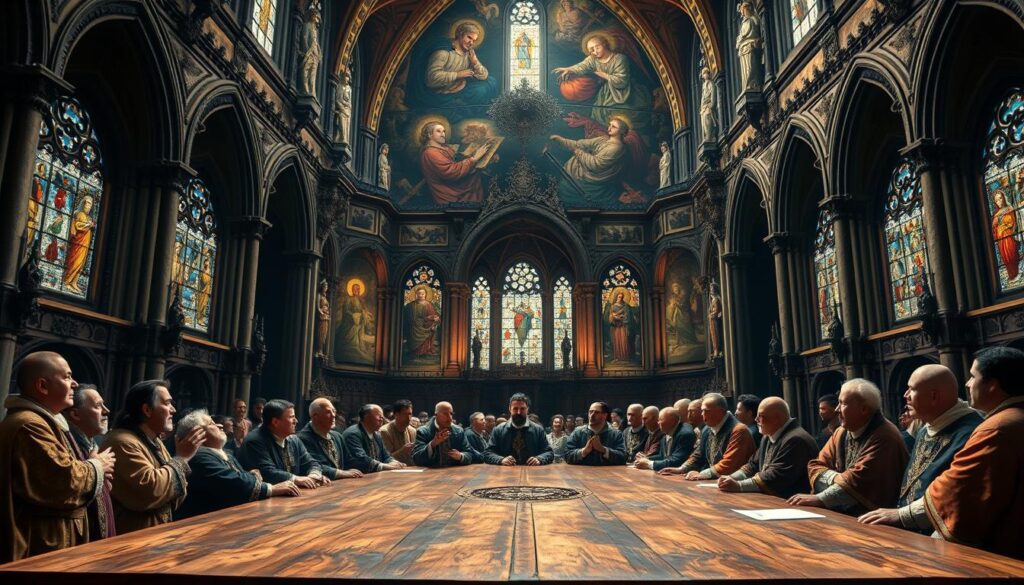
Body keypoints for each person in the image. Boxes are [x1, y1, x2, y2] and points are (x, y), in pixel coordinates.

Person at [0, 352, 116, 562]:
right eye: (67, 377)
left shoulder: (45, 422)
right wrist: (98, 465)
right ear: (43, 386)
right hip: (39, 545)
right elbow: (64, 481)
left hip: (54, 542)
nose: (75, 383)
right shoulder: (29, 425)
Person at [915, 347, 1024, 558]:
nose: (967, 383)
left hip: (1005, 557)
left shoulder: (997, 427)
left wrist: (901, 517)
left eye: (973, 376)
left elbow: (958, 492)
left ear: (992, 385)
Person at [858, 364, 982, 532]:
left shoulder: (971, 433)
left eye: (911, 389)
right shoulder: (925, 429)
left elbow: (957, 495)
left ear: (933, 397)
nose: (905, 395)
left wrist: (901, 515)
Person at [789, 379, 909, 514]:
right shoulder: (841, 432)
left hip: (875, 519)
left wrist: (820, 498)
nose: (836, 409)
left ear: (863, 409)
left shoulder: (885, 436)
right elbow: (815, 466)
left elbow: (859, 482)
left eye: (842, 403)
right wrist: (840, 479)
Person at [102, 380, 204, 534]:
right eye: (167, 403)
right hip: (131, 539)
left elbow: (175, 494)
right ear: (147, 410)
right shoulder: (122, 442)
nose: (173, 410)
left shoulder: (154, 440)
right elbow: (150, 491)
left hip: (155, 533)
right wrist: (181, 459)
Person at [176, 411, 299, 519]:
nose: (220, 425)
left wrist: (250, 477)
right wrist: (271, 489)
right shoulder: (198, 457)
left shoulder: (225, 454)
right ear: (196, 434)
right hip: (201, 526)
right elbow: (233, 482)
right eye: (211, 424)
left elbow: (243, 476)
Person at [718, 397, 817, 498]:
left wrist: (739, 485)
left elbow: (776, 476)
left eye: (760, 416)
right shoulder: (768, 436)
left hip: (791, 503)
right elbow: (753, 465)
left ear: (777, 418)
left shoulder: (796, 439)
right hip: (772, 499)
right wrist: (731, 478)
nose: (756, 419)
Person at [552, 33, 651, 127]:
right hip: (606, 92)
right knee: (599, 111)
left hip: (623, 92)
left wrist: (604, 75)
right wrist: (569, 69)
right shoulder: (593, 59)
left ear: (604, 44)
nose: (595, 52)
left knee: (624, 111)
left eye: (597, 47)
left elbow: (622, 80)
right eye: (591, 50)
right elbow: (582, 66)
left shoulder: (620, 58)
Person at [62, 384, 117, 542]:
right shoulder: (66, 444)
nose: (106, 411)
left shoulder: (94, 443)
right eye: (98, 406)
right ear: (75, 414)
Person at [662, 393, 755, 479]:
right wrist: (681, 469)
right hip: (715, 483)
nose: (702, 414)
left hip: (735, 485)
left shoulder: (739, 430)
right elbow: (698, 454)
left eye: (705, 411)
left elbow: (729, 464)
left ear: (720, 411)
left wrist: (701, 474)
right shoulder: (707, 429)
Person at [236, 399, 326, 488]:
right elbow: (267, 473)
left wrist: (314, 476)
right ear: (275, 422)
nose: (296, 421)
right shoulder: (254, 441)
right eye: (291, 417)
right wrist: (296, 479)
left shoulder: (294, 440)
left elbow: (311, 463)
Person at [549, 117, 628, 205]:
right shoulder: (603, 139)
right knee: (564, 186)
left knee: (567, 190)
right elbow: (579, 144)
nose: (609, 128)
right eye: (610, 125)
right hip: (583, 173)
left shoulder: (616, 148)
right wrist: (561, 140)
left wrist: (577, 152)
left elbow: (595, 165)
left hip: (593, 178)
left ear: (621, 131)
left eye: (614, 126)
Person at [419, 121, 487, 206]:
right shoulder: (431, 153)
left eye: (444, 131)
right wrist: (474, 159)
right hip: (449, 191)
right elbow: (451, 172)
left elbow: (455, 158)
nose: (443, 134)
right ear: (429, 135)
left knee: (478, 175)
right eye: (438, 131)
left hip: (454, 183)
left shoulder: (443, 147)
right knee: (476, 179)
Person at [297, 398, 365, 481]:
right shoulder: (302, 438)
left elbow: (349, 460)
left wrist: (356, 469)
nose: (334, 415)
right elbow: (313, 465)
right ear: (315, 417)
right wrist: (342, 473)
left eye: (334, 411)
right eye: (328, 412)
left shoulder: (337, 436)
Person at [484, 393, 554, 465]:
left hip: (532, 473)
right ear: (510, 409)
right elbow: (487, 453)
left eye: (522, 409)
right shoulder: (498, 430)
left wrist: (539, 459)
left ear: (527, 409)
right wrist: (501, 460)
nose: (518, 412)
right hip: (504, 473)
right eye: (515, 408)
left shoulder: (538, 430)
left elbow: (549, 453)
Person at [342, 404, 408, 473]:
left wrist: (394, 462)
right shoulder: (353, 434)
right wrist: (386, 466)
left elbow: (386, 456)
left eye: (382, 416)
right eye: (379, 416)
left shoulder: (376, 434)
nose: (382, 419)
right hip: (357, 479)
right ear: (366, 417)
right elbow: (361, 460)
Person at [413, 402, 474, 467]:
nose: (450, 418)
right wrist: (432, 444)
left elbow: (470, 453)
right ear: (436, 415)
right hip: (431, 474)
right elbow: (417, 459)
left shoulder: (459, 431)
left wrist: (461, 456)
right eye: (445, 414)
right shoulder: (423, 431)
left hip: (455, 474)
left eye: (451, 414)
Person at [635, 407, 696, 471]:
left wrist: (648, 463)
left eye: (660, 419)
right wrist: (646, 458)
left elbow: (677, 461)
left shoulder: (685, 434)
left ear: (672, 421)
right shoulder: (665, 433)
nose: (658, 423)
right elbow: (662, 456)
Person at [380, 399, 417, 466]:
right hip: (393, 471)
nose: (409, 418)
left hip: (412, 469)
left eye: (410, 414)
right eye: (405, 414)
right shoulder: (384, 431)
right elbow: (385, 459)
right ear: (396, 415)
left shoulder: (412, 430)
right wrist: (402, 451)